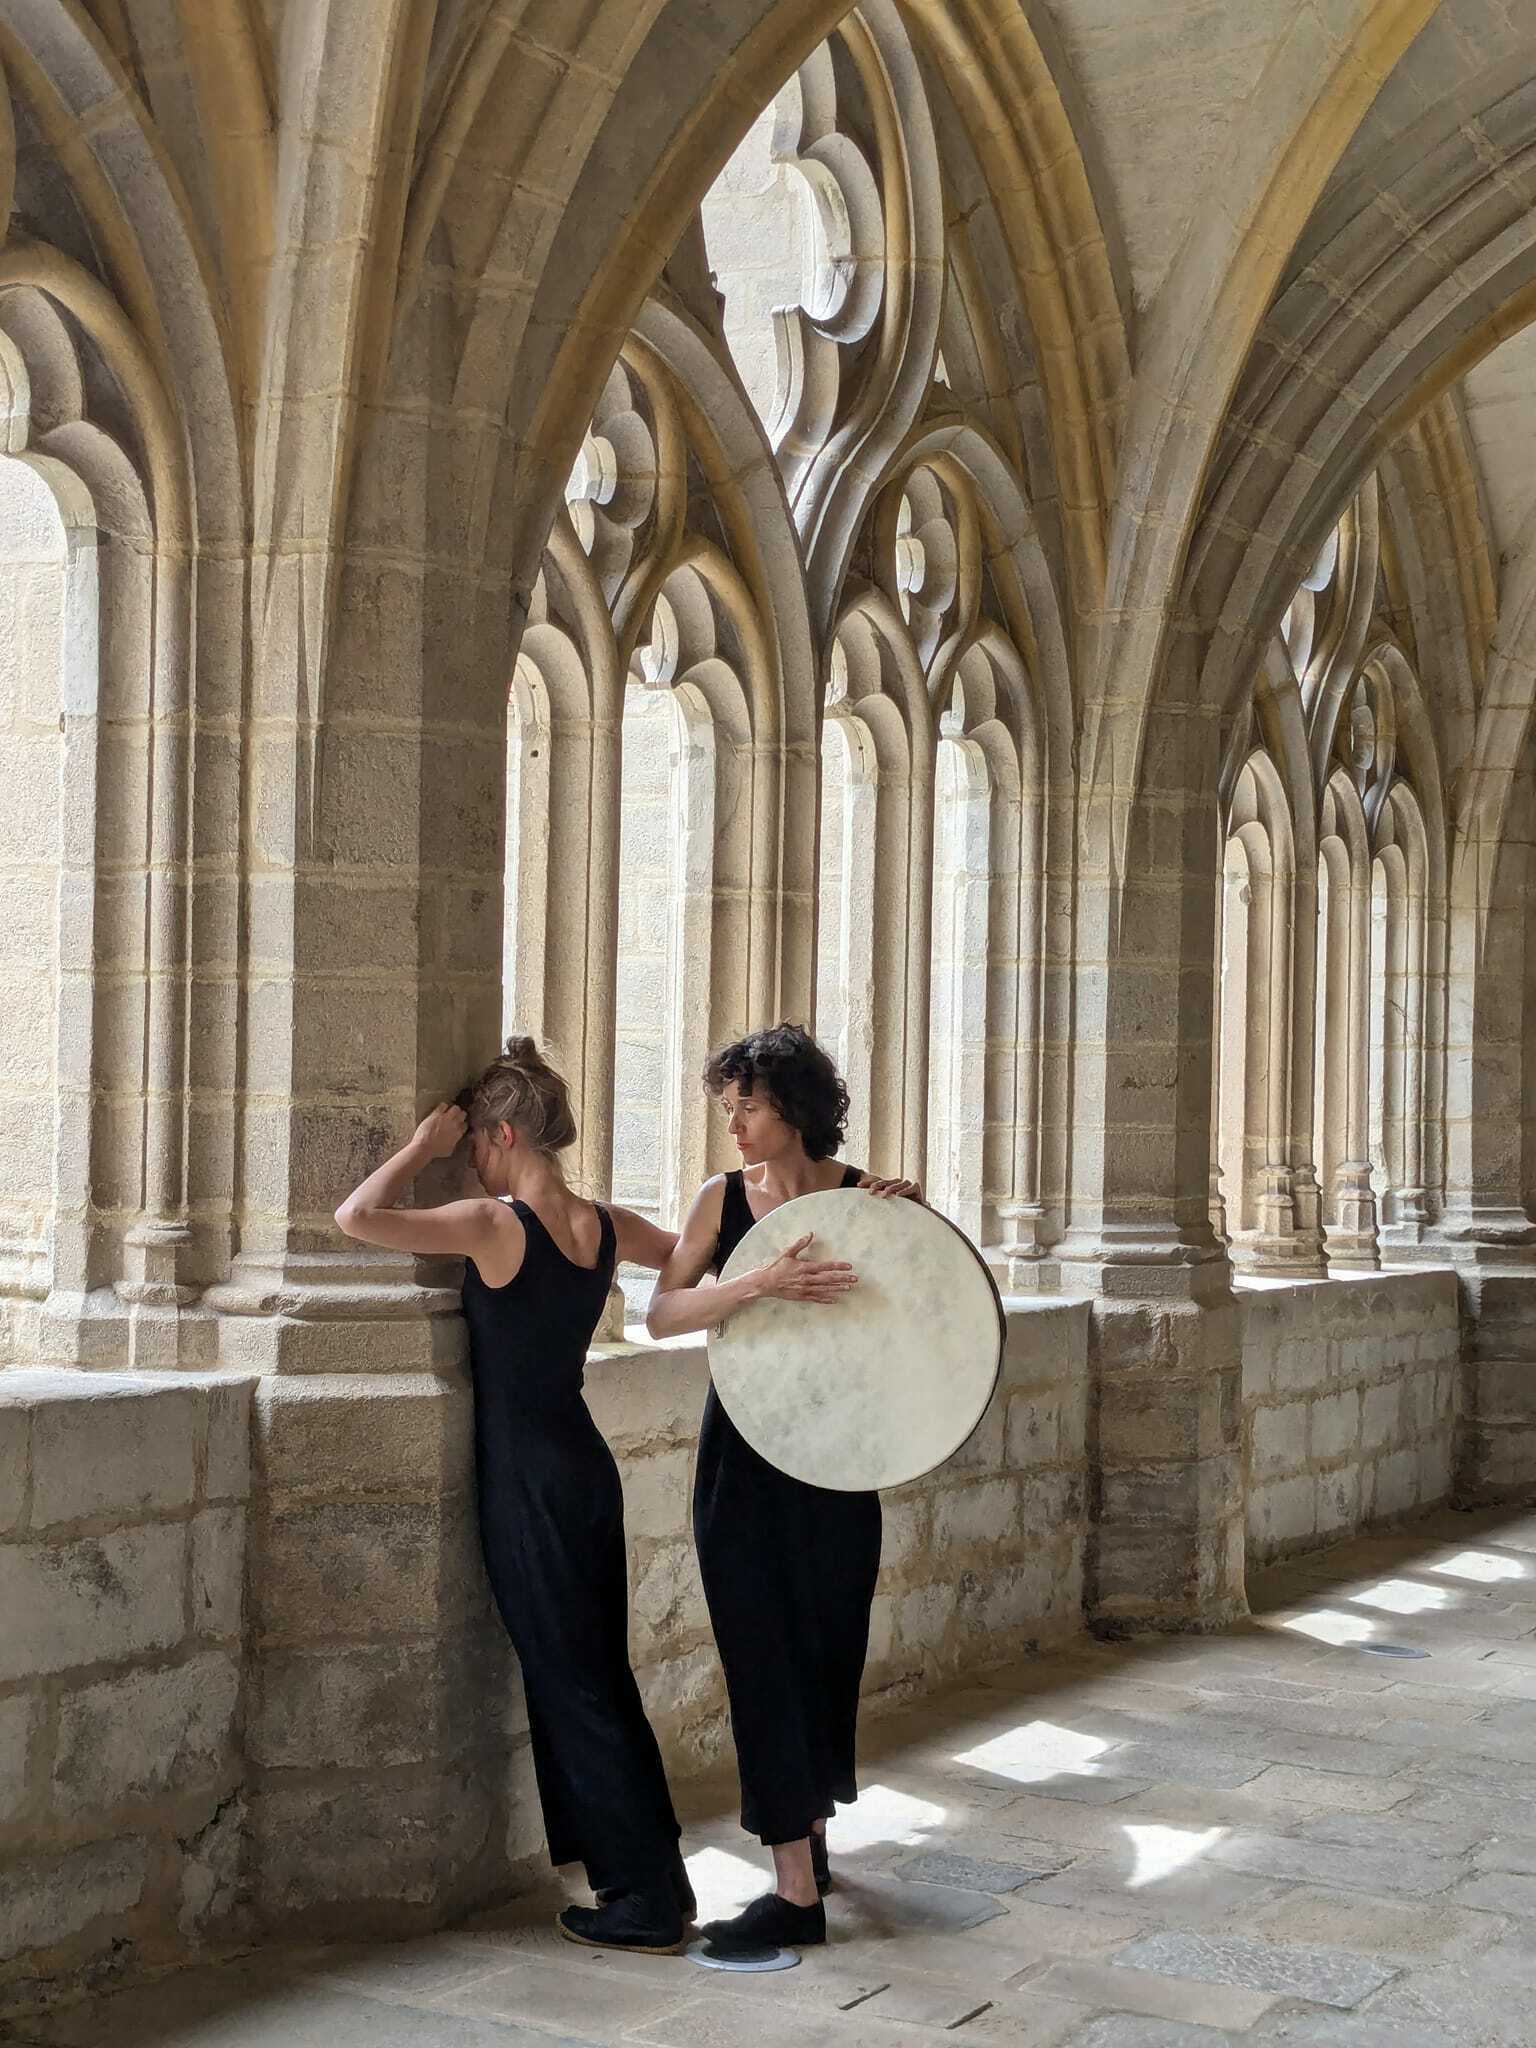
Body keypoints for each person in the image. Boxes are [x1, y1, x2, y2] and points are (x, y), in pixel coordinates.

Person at [334, 1036, 693, 1955]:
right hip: (584, 1468)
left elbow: (356, 1217)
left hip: (530, 1480)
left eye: (475, 1151)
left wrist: (418, 1148)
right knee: (597, 1675)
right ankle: (654, 1880)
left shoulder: (496, 1225)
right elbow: (697, 1250)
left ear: (501, 1135)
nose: (472, 1167)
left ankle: (644, 1899)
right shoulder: (605, 1225)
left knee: (577, 1685)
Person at [646, 1022, 920, 1952]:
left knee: (826, 1646)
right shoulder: (720, 1200)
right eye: (727, 1108)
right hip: (745, 1455)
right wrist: (755, 1283)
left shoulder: (866, 1198)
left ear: (794, 1110)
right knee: (757, 1651)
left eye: (748, 1107)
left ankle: (811, 1836)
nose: (734, 1125)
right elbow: (660, 1314)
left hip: (843, 1453)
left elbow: (930, 1307)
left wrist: (914, 1225)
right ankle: (795, 1890)